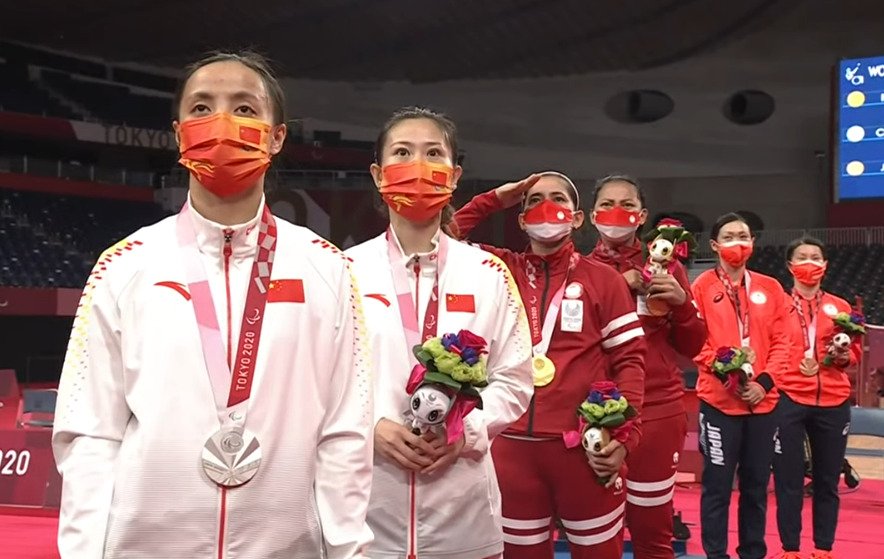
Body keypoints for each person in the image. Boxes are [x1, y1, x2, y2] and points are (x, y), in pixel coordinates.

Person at [52, 52, 374, 558]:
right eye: (202, 108)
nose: (221, 122)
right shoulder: (125, 265)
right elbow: (90, 431)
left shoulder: (326, 268)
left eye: (244, 108)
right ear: (180, 133)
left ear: (276, 136)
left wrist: (348, 550)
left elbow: (345, 432)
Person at [345, 106, 534, 559]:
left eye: (433, 154)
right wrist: (371, 428)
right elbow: (319, 380)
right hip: (366, 516)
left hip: (463, 516)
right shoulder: (343, 270)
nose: (418, 165)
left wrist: (465, 431)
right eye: (402, 153)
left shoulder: (489, 273)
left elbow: (514, 379)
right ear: (378, 174)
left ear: (453, 176)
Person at [451, 171, 646, 559]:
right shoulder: (498, 271)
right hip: (511, 449)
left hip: (582, 451)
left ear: (577, 217)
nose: (547, 206)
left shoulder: (604, 280)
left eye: (558, 198)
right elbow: (444, 236)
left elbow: (629, 361)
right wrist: (495, 199)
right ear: (521, 220)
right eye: (534, 200)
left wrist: (625, 437)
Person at [585, 175, 707, 559]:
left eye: (626, 204)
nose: (616, 212)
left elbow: (693, 346)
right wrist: (616, 286)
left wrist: (682, 304)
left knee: (653, 534)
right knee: (596, 534)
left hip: (657, 411)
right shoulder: (582, 270)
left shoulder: (668, 268)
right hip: (600, 413)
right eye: (606, 204)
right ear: (592, 215)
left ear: (642, 216)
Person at [691, 212, 792, 559]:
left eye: (744, 236)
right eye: (730, 237)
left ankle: (753, 552)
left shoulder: (771, 287)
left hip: (762, 405)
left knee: (756, 488)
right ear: (714, 245)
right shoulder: (701, 287)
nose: (738, 243)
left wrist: (764, 383)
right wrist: (726, 374)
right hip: (719, 403)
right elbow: (695, 340)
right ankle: (716, 555)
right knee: (717, 487)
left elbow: (784, 342)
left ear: (753, 243)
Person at [772, 237, 862, 559]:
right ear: (790, 266)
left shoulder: (840, 307)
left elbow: (853, 354)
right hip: (789, 398)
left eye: (815, 257)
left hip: (833, 402)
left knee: (827, 481)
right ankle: (790, 549)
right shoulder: (777, 305)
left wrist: (844, 357)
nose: (809, 263)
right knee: (788, 480)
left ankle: (823, 549)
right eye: (802, 257)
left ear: (825, 265)